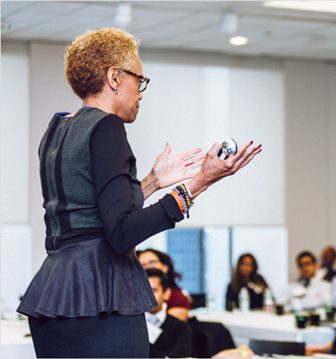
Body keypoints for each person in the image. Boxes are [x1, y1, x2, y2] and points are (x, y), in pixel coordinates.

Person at [17, 28, 261, 358]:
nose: (141, 92)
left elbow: (90, 216)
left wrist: (151, 182)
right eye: (139, 80)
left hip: (56, 297)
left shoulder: (58, 129)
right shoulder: (107, 126)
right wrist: (199, 183)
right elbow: (120, 233)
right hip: (101, 297)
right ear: (114, 77)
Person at [145, 269, 193, 358]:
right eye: (143, 290)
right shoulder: (130, 327)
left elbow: (182, 353)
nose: (147, 295)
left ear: (166, 293)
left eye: (153, 290)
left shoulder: (181, 327)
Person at [139, 249, 191, 321]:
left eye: (152, 262)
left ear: (165, 267)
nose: (147, 267)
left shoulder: (178, 299)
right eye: (142, 265)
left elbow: (172, 327)